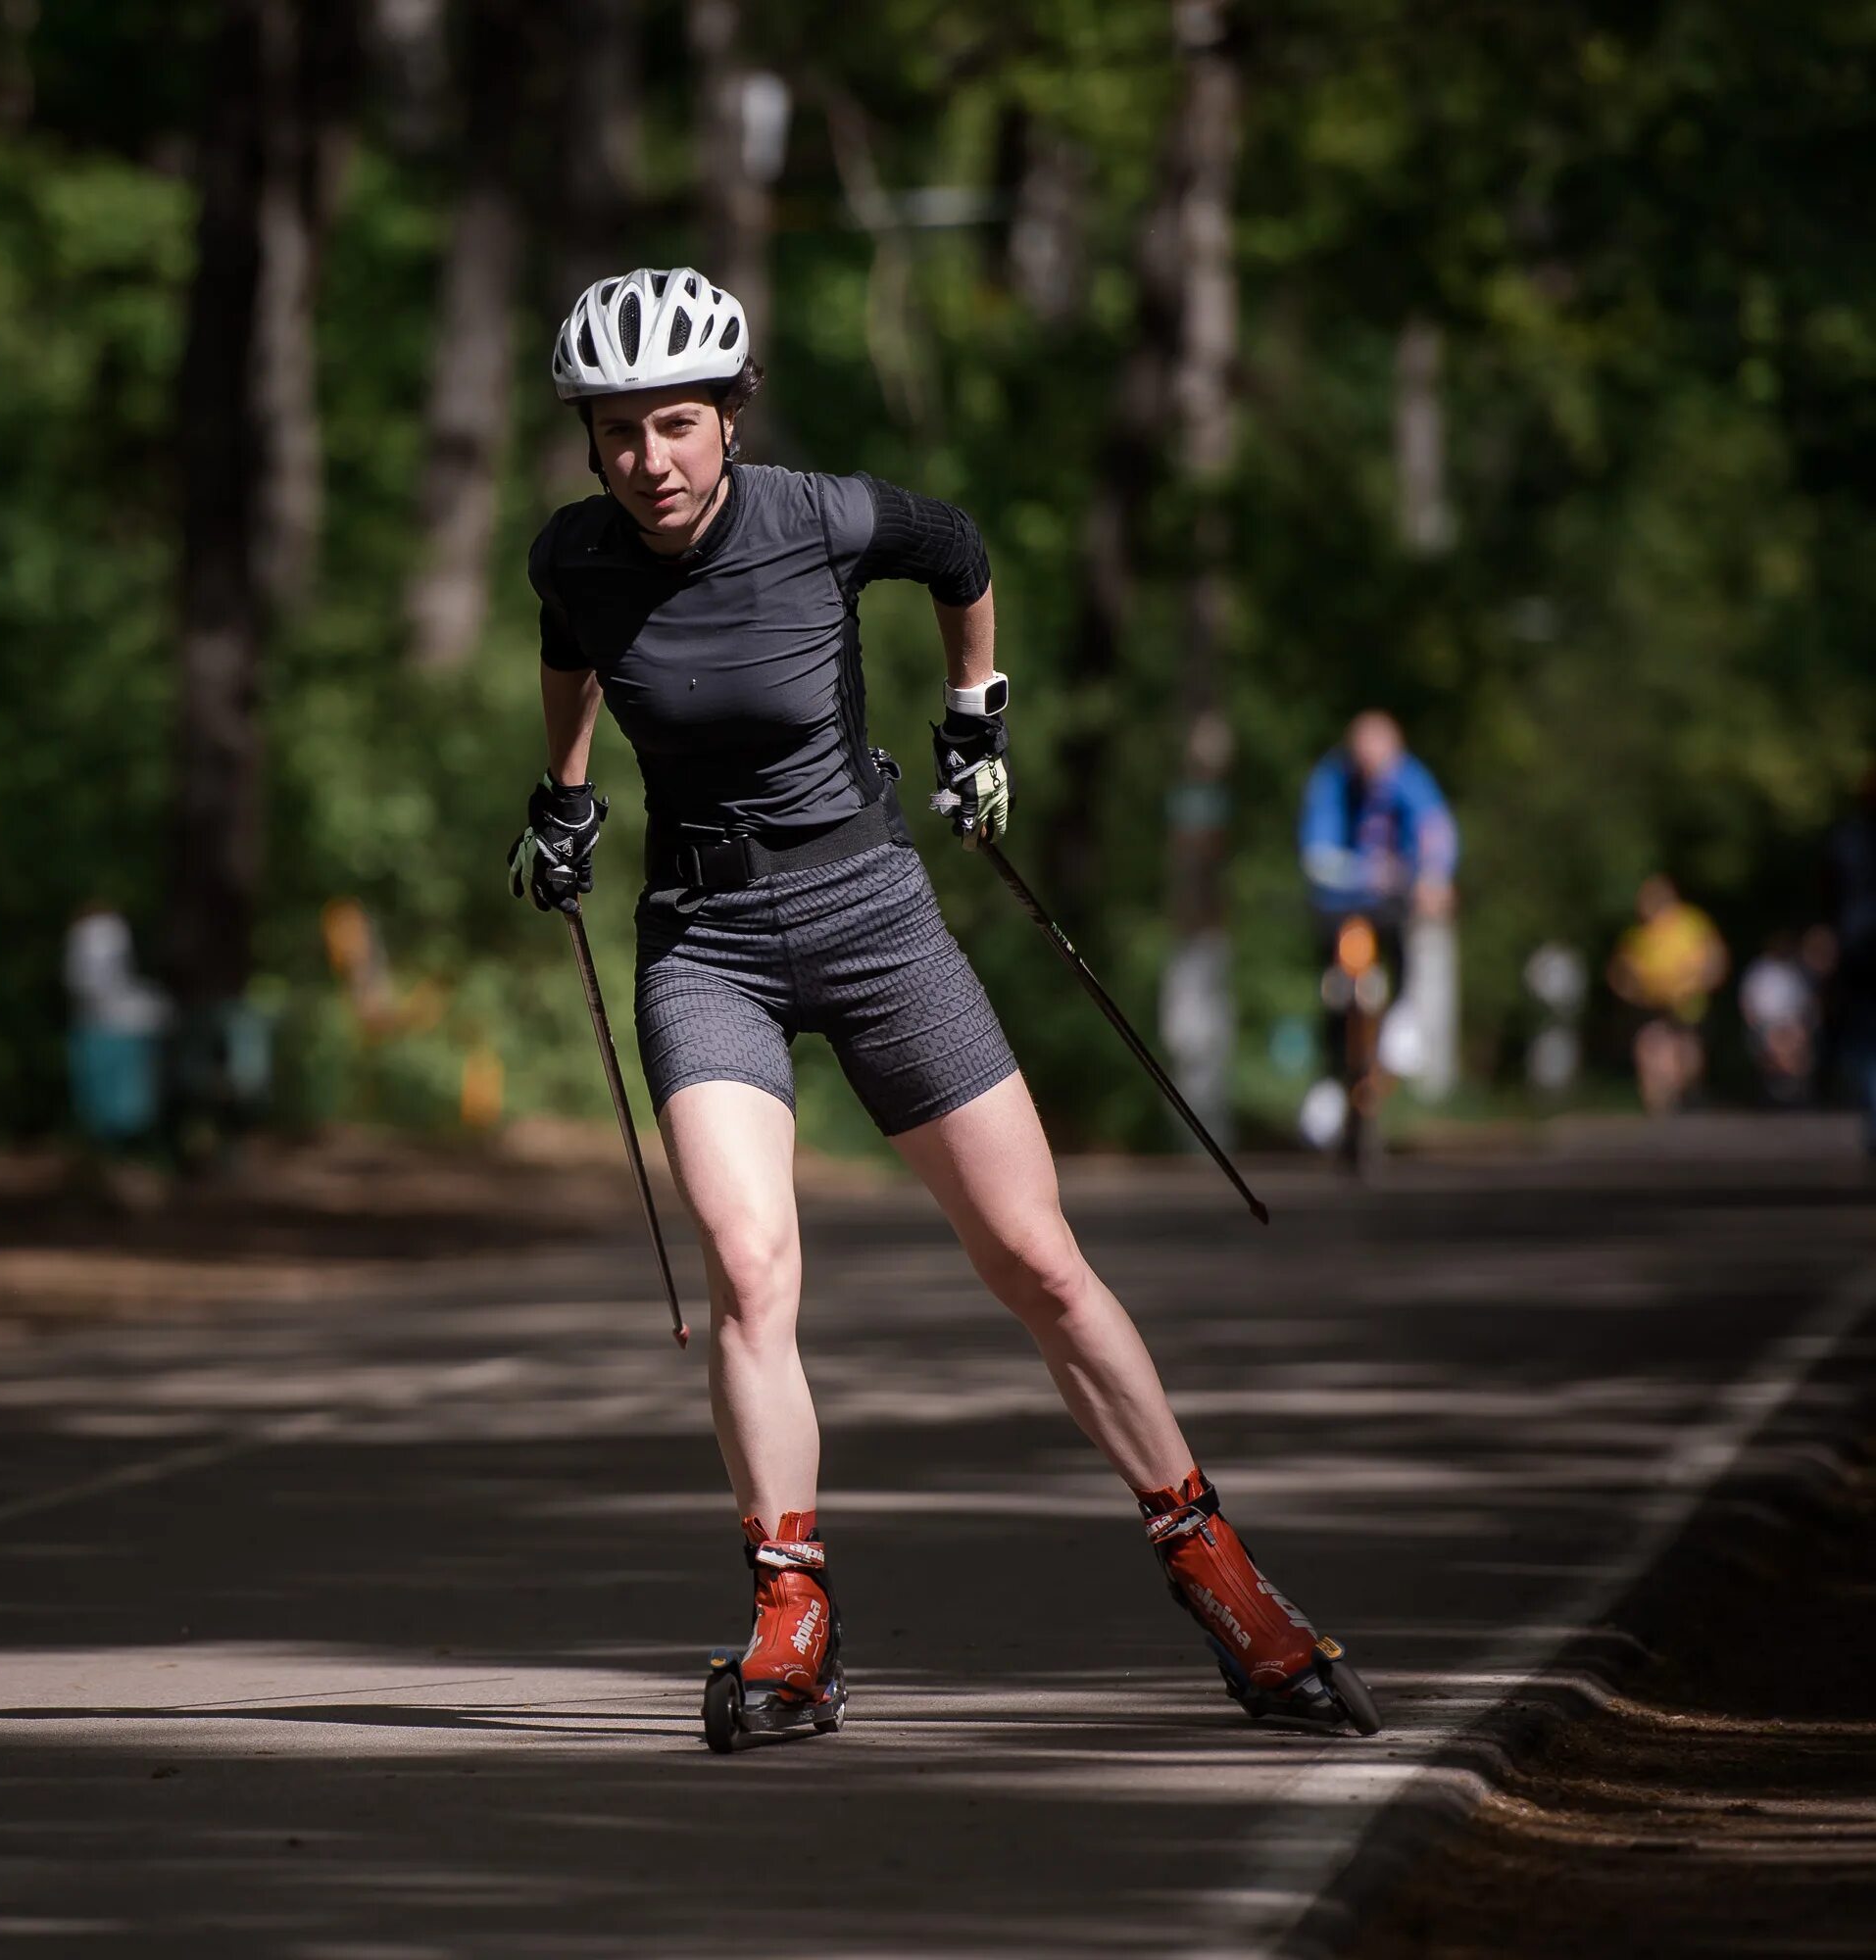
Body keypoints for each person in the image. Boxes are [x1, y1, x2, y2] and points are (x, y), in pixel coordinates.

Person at [505, 266, 1376, 1738]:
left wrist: (978, 709)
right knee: (750, 1261)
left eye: (673, 424)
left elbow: (961, 550)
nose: (645, 460)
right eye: (614, 432)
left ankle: (1216, 1565)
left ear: (728, 417)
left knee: (1035, 1258)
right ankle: (793, 1614)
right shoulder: (574, 556)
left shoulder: (823, 516)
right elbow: (569, 649)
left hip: (870, 913)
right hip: (702, 936)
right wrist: (564, 794)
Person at [1297, 711, 1457, 1105]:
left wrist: (1435, 875)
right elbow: (1316, 854)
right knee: (1334, 987)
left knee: (1409, 941)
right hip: (1341, 900)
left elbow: (1435, 829)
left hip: (1391, 901)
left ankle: (1403, 1014)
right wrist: (1366, 872)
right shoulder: (1331, 780)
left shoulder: (1409, 777)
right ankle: (1331, 1078)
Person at [1608, 874, 1729, 1116]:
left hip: (1688, 1005)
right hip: (1653, 1007)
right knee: (1650, 1052)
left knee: (1686, 1057)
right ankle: (1660, 1113)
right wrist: (1636, 994)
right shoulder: (1640, 936)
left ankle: (1687, 1098)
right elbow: (1619, 973)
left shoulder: (1690, 924)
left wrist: (1699, 983)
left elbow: (1716, 958)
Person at [1828, 769, 1876, 1152]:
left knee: (1864, 1041)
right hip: (1860, 950)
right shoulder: (1848, 841)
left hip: (1857, 947)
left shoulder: (1848, 840)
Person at [1737, 932, 1821, 1108]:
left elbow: (1806, 1007)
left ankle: (1792, 1090)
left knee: (1796, 1042)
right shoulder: (1759, 971)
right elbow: (1748, 1007)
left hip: (1792, 1025)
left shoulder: (1795, 972)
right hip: (1764, 1026)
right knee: (1778, 1043)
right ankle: (1780, 1088)